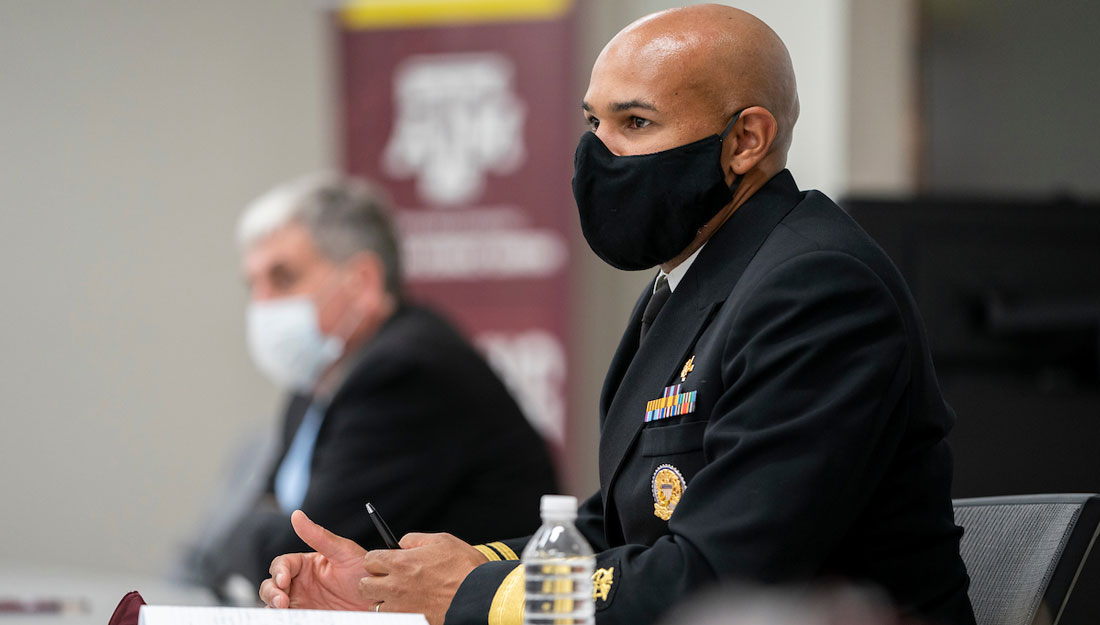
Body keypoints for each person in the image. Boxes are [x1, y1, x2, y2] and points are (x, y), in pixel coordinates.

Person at [256, 6, 976, 625]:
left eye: (636, 122)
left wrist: (476, 592)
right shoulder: (694, 280)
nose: (597, 155)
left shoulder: (818, 289)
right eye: (594, 121)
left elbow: (719, 576)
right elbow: (617, 524)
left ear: (745, 141)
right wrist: (407, 580)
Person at [190, 174, 558, 594]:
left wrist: (246, 539)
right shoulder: (317, 376)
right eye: (252, 285)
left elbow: (298, 557)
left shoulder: (410, 374)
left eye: (283, 278)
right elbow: (258, 525)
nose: (262, 304)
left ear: (362, 282)